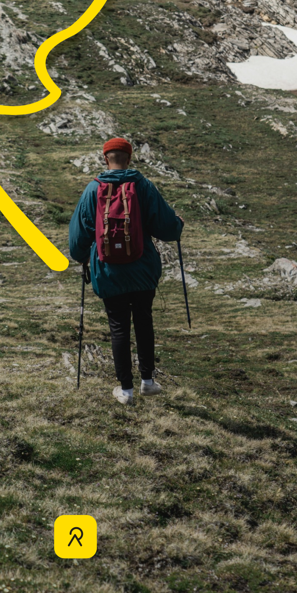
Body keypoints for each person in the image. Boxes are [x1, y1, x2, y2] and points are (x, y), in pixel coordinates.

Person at [69, 137, 183, 405]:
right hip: (143, 269)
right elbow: (167, 228)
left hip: (109, 272)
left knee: (118, 327)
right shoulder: (143, 187)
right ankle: (148, 382)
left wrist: (83, 257)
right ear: (130, 159)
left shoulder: (92, 190)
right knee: (143, 321)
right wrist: (178, 224)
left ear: (104, 158)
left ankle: (126, 391)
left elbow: (78, 239)